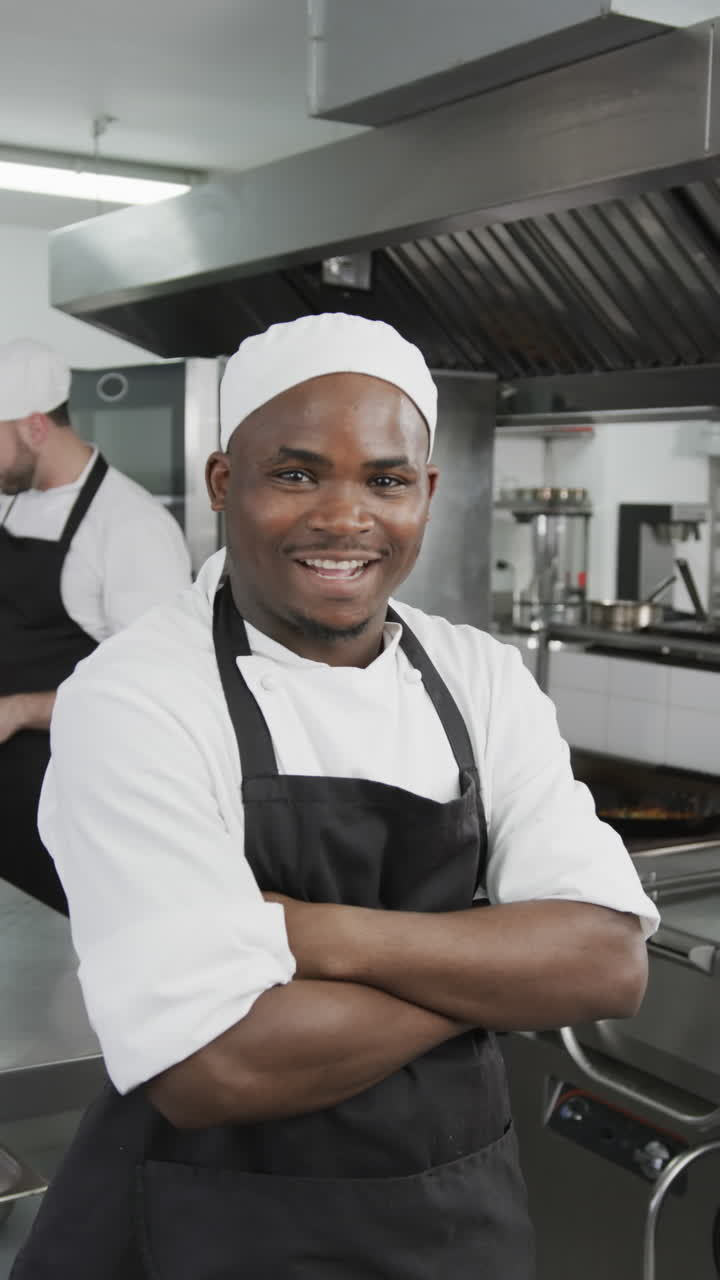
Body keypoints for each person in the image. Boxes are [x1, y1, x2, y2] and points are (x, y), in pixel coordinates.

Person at [12, 314, 659, 1279]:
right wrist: (492, 956)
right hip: (205, 1232)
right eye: (298, 473)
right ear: (227, 483)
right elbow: (213, 1066)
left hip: (456, 1226)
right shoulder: (138, 695)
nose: (345, 518)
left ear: (426, 494)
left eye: (386, 481)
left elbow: (606, 966)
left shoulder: (480, 676)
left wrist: (314, 937)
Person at [0, 338, 192, 914]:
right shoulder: (11, 500)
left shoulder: (132, 528)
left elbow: (155, 689)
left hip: (64, 797)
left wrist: (18, 710)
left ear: (35, 427)